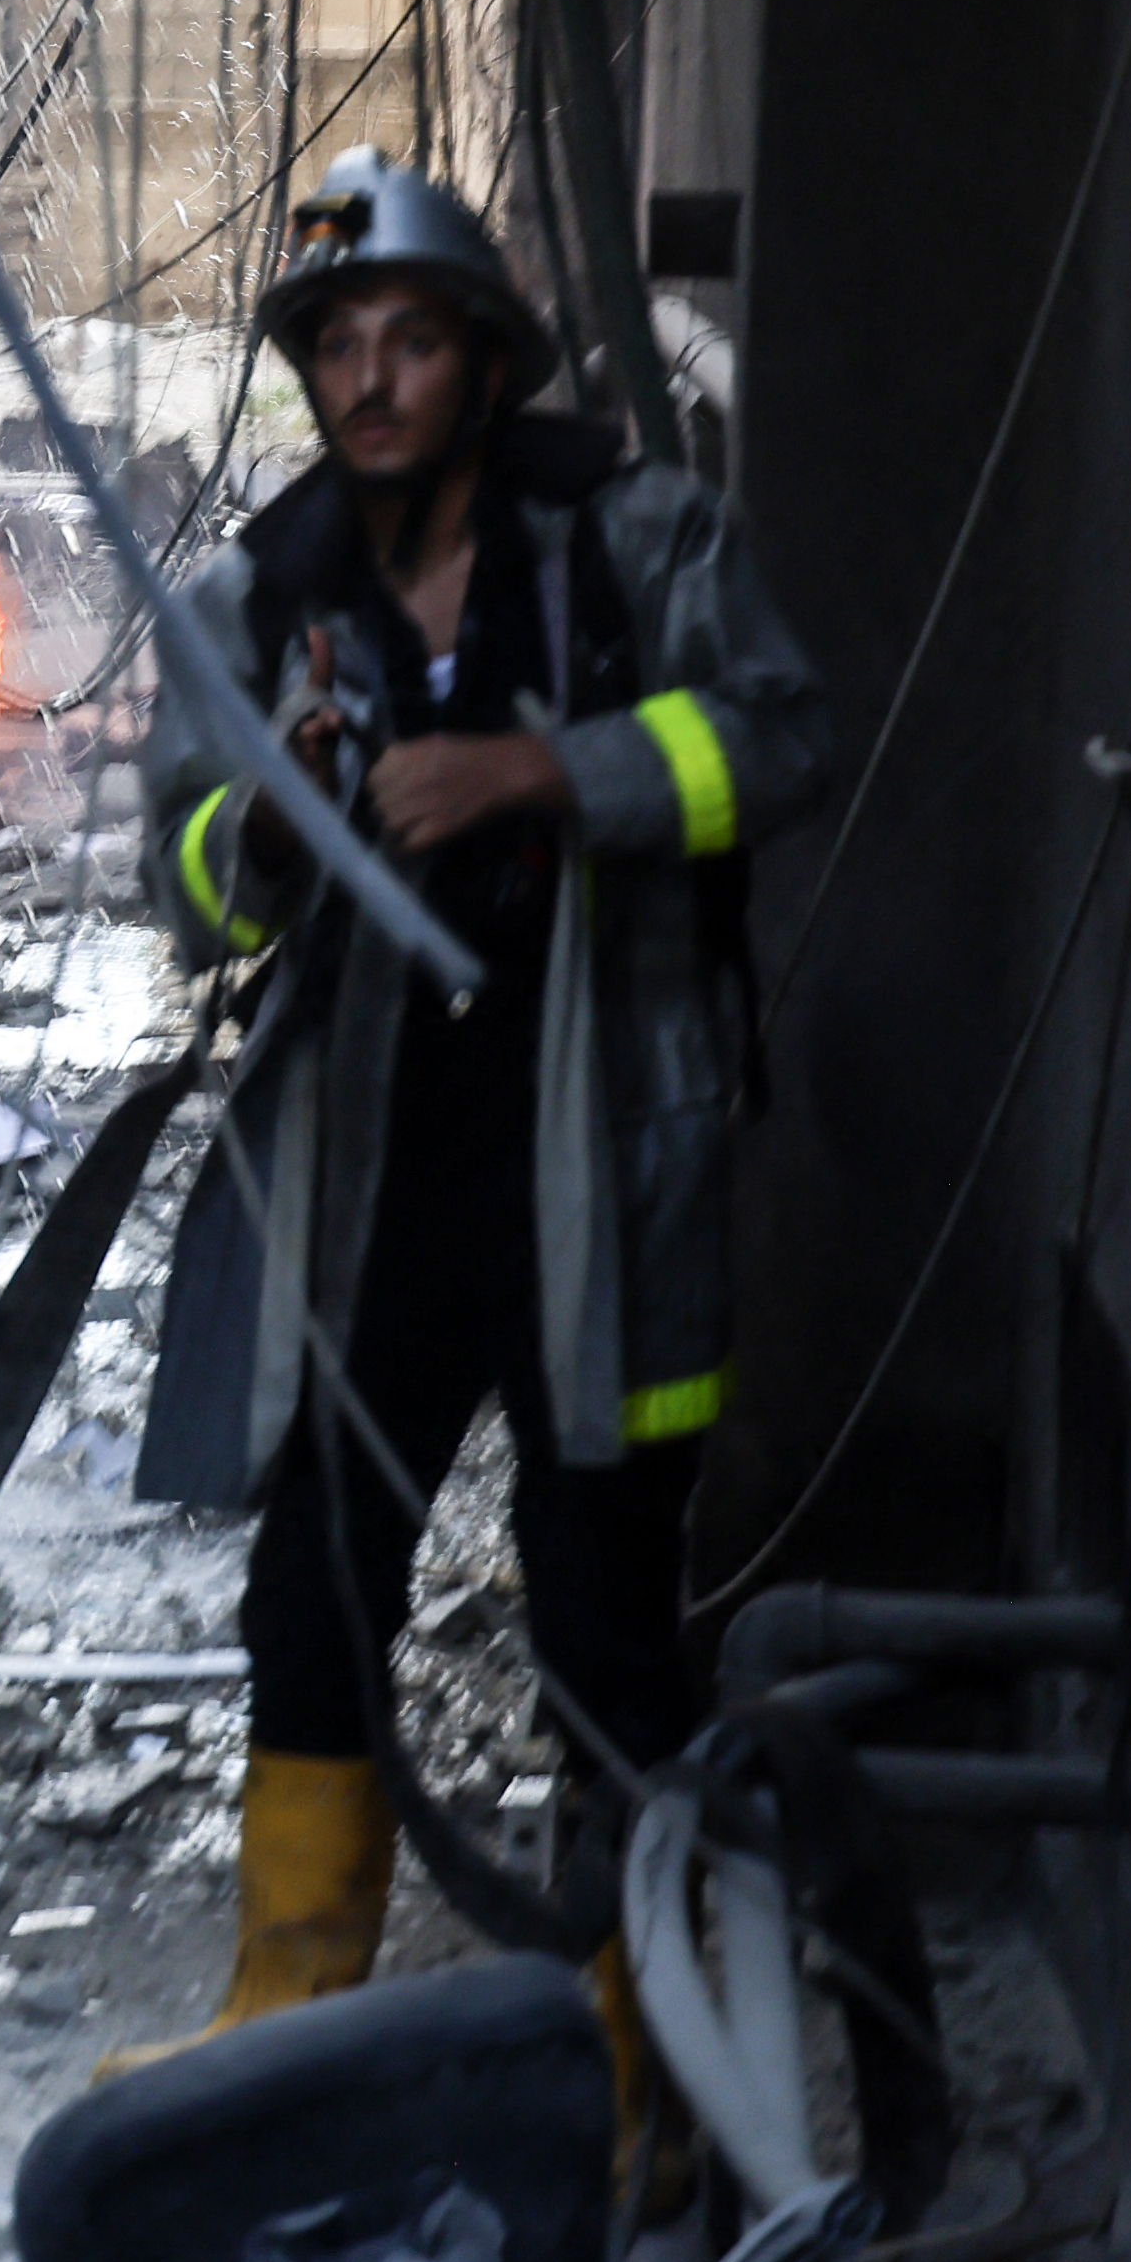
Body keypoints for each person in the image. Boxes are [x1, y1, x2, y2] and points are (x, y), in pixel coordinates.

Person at [137, 156, 827, 2032]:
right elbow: (182, 889)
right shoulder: (255, 599)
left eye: (408, 340)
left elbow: (779, 735)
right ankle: (280, 2019)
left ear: (483, 360)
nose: (366, 381)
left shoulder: (636, 540)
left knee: (602, 1621)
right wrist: (267, 827)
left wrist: (538, 769)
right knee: (313, 1592)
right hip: (377, 1188)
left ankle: (636, 2065)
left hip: (606, 1167)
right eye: (335, 345)